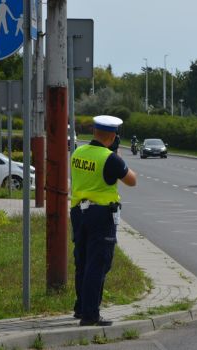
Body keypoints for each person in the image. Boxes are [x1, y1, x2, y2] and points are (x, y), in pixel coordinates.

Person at [70, 115, 137, 326]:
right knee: (97, 264)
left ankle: (81, 307)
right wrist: (116, 155)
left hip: (78, 213)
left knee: (82, 261)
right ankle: (91, 314)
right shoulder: (110, 159)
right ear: (112, 137)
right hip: (101, 215)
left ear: (95, 133)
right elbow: (132, 180)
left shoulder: (78, 152)